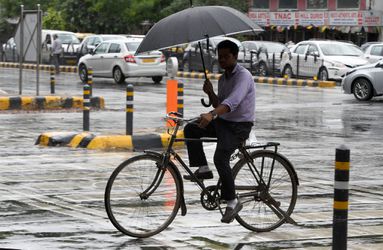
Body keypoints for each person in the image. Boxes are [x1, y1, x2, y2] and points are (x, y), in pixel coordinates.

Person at [183, 40, 255, 223]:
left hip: (239, 126)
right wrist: (210, 93)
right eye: (219, 56)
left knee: (220, 157)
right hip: (224, 122)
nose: (222, 59)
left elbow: (233, 103)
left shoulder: (243, 76)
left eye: (226, 56)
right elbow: (219, 103)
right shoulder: (223, 79)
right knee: (191, 129)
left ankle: (232, 201)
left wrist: (212, 114)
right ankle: (204, 169)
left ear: (235, 56)